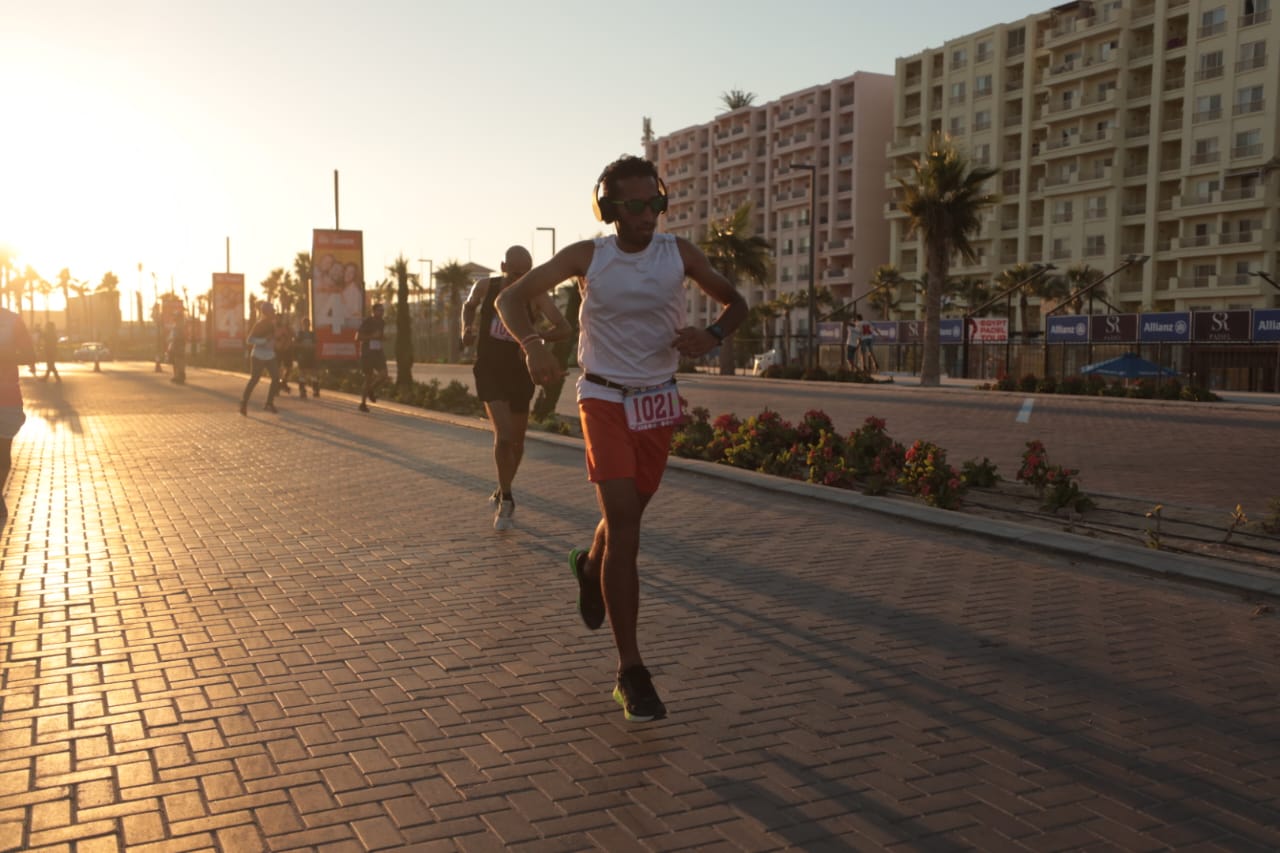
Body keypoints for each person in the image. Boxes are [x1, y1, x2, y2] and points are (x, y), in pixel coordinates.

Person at [497, 154, 746, 722]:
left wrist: (711, 334)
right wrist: (532, 346)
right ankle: (631, 671)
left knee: (626, 513)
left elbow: (738, 303)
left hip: (657, 398)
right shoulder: (589, 256)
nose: (646, 216)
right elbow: (509, 299)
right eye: (633, 206)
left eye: (654, 203)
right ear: (608, 209)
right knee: (626, 525)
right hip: (603, 396)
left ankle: (590, 568)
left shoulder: (679, 253)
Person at [462, 245, 571, 531]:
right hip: (489, 368)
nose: (519, 279)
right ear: (503, 267)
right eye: (514, 273)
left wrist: (535, 338)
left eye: (525, 273)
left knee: (518, 442)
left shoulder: (535, 294)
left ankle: (503, 487)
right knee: (504, 435)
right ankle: (507, 499)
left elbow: (564, 328)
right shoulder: (486, 286)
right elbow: (469, 305)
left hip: (521, 371)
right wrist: (466, 328)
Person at [0, 308, 37, 522]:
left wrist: (4, 355)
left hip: (6, 398)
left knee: (3, 453)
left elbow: (30, 355)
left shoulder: (12, 321)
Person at [240, 303, 280, 415]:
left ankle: (269, 403)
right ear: (266, 313)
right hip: (258, 356)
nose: (274, 313)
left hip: (270, 355)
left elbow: (274, 339)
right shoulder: (259, 325)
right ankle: (244, 403)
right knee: (254, 379)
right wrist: (264, 340)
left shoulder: (273, 324)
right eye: (272, 311)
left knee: (276, 378)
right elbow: (249, 340)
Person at [356, 302, 387, 412]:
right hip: (367, 354)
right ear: (373, 311)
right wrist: (371, 336)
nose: (382, 312)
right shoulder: (367, 322)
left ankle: (371, 389)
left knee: (384, 374)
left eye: (382, 310)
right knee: (368, 378)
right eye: (379, 310)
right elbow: (358, 337)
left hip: (378, 352)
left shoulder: (382, 322)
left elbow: (379, 336)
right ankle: (363, 404)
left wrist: (383, 338)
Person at [295, 316, 319, 398]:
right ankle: (302, 390)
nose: (306, 325)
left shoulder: (312, 334)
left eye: (308, 324)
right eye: (305, 324)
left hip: (311, 355)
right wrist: (303, 345)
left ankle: (315, 389)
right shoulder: (300, 334)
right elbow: (296, 344)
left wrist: (312, 345)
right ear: (302, 325)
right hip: (302, 355)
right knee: (302, 372)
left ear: (309, 324)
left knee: (313, 372)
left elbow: (316, 344)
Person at [275, 319, 296, 394]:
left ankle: (283, 382)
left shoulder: (289, 329)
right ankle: (277, 385)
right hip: (279, 351)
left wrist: (290, 332)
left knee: (289, 368)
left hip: (288, 351)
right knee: (278, 369)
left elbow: (294, 337)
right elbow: (275, 338)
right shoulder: (277, 328)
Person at [168, 313, 187, 384]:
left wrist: (175, 341)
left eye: (177, 318)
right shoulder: (176, 326)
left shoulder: (180, 327)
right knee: (175, 361)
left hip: (179, 345)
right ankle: (177, 376)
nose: (175, 319)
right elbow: (172, 336)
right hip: (175, 345)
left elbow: (180, 337)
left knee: (179, 361)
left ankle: (180, 376)